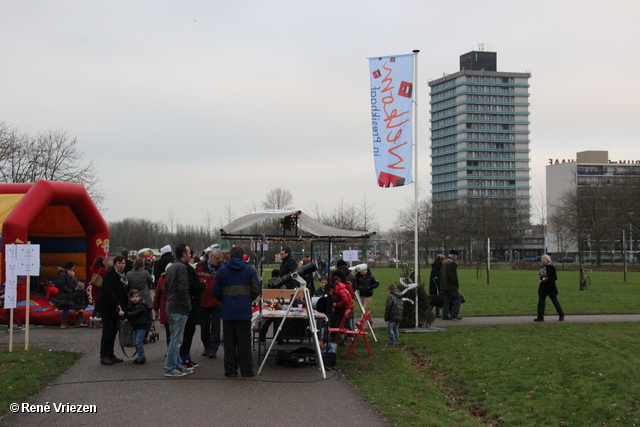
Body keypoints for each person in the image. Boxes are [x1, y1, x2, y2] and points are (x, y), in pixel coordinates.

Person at [213, 246, 261, 378]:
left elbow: (215, 291)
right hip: (244, 311)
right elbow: (256, 288)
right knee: (244, 342)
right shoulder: (249, 270)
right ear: (242, 256)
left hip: (228, 311)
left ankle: (230, 370)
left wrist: (224, 300)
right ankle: (246, 370)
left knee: (229, 343)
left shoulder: (222, 271)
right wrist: (248, 299)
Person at [163, 244, 194, 377]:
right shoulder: (181, 268)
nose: (190, 255)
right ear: (183, 254)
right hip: (178, 308)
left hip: (171, 304)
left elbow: (166, 287)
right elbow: (183, 288)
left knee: (176, 339)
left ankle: (177, 365)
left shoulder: (171, 267)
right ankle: (169, 368)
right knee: (176, 340)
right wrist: (187, 305)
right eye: (188, 252)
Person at [99, 255, 129, 365]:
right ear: (115, 264)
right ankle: (104, 355)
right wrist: (116, 304)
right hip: (108, 307)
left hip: (117, 307)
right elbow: (109, 291)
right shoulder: (110, 275)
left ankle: (110, 354)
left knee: (114, 331)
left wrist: (125, 305)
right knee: (108, 330)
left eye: (123, 263)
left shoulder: (123, 276)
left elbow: (124, 292)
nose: (122, 265)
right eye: (120, 263)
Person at [195, 250, 223, 359]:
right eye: (217, 258)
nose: (219, 260)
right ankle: (206, 346)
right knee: (204, 327)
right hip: (203, 302)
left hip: (217, 302)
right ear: (210, 257)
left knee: (215, 326)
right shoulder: (199, 267)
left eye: (220, 258)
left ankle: (213, 349)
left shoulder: (221, 269)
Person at [120, 289, 150, 365]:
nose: (134, 298)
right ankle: (140, 356)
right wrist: (127, 319)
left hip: (141, 326)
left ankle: (141, 357)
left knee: (138, 341)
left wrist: (124, 314)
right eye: (133, 297)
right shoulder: (132, 306)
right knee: (135, 341)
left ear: (139, 297)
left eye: (136, 297)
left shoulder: (141, 306)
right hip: (135, 326)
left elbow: (134, 314)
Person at [126, 257, 153, 338]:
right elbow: (151, 280)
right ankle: (144, 335)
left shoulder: (129, 274)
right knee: (148, 317)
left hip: (132, 296)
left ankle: (134, 334)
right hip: (144, 297)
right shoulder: (145, 273)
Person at [534, 254, 565, 322]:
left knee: (555, 302)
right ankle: (540, 317)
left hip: (551, 287)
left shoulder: (551, 267)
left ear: (548, 260)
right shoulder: (541, 268)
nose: (543, 260)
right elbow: (541, 278)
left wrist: (548, 278)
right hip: (543, 287)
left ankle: (561, 315)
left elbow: (555, 277)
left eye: (545, 259)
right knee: (541, 303)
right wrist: (541, 279)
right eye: (542, 259)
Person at [440, 250, 462, 320]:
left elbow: (441, 273)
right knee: (458, 298)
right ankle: (454, 314)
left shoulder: (445, 262)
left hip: (444, 284)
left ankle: (445, 314)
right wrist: (456, 283)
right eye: (456, 256)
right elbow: (453, 276)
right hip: (451, 285)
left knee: (446, 299)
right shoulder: (452, 263)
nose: (457, 257)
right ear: (453, 256)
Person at [152, 267, 171, 346]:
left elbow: (157, 296)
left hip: (165, 308)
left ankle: (169, 351)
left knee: (168, 332)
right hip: (174, 309)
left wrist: (156, 308)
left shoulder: (161, 280)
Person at [57, 261, 77, 329]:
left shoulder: (67, 274)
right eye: (73, 267)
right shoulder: (63, 274)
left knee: (67, 308)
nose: (74, 268)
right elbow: (62, 284)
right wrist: (68, 290)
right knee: (65, 309)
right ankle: (63, 323)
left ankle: (65, 322)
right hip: (65, 293)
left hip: (68, 293)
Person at [89, 256, 107, 327]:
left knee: (96, 305)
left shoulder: (91, 268)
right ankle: (98, 320)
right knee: (100, 306)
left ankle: (92, 321)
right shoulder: (102, 270)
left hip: (94, 288)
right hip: (100, 289)